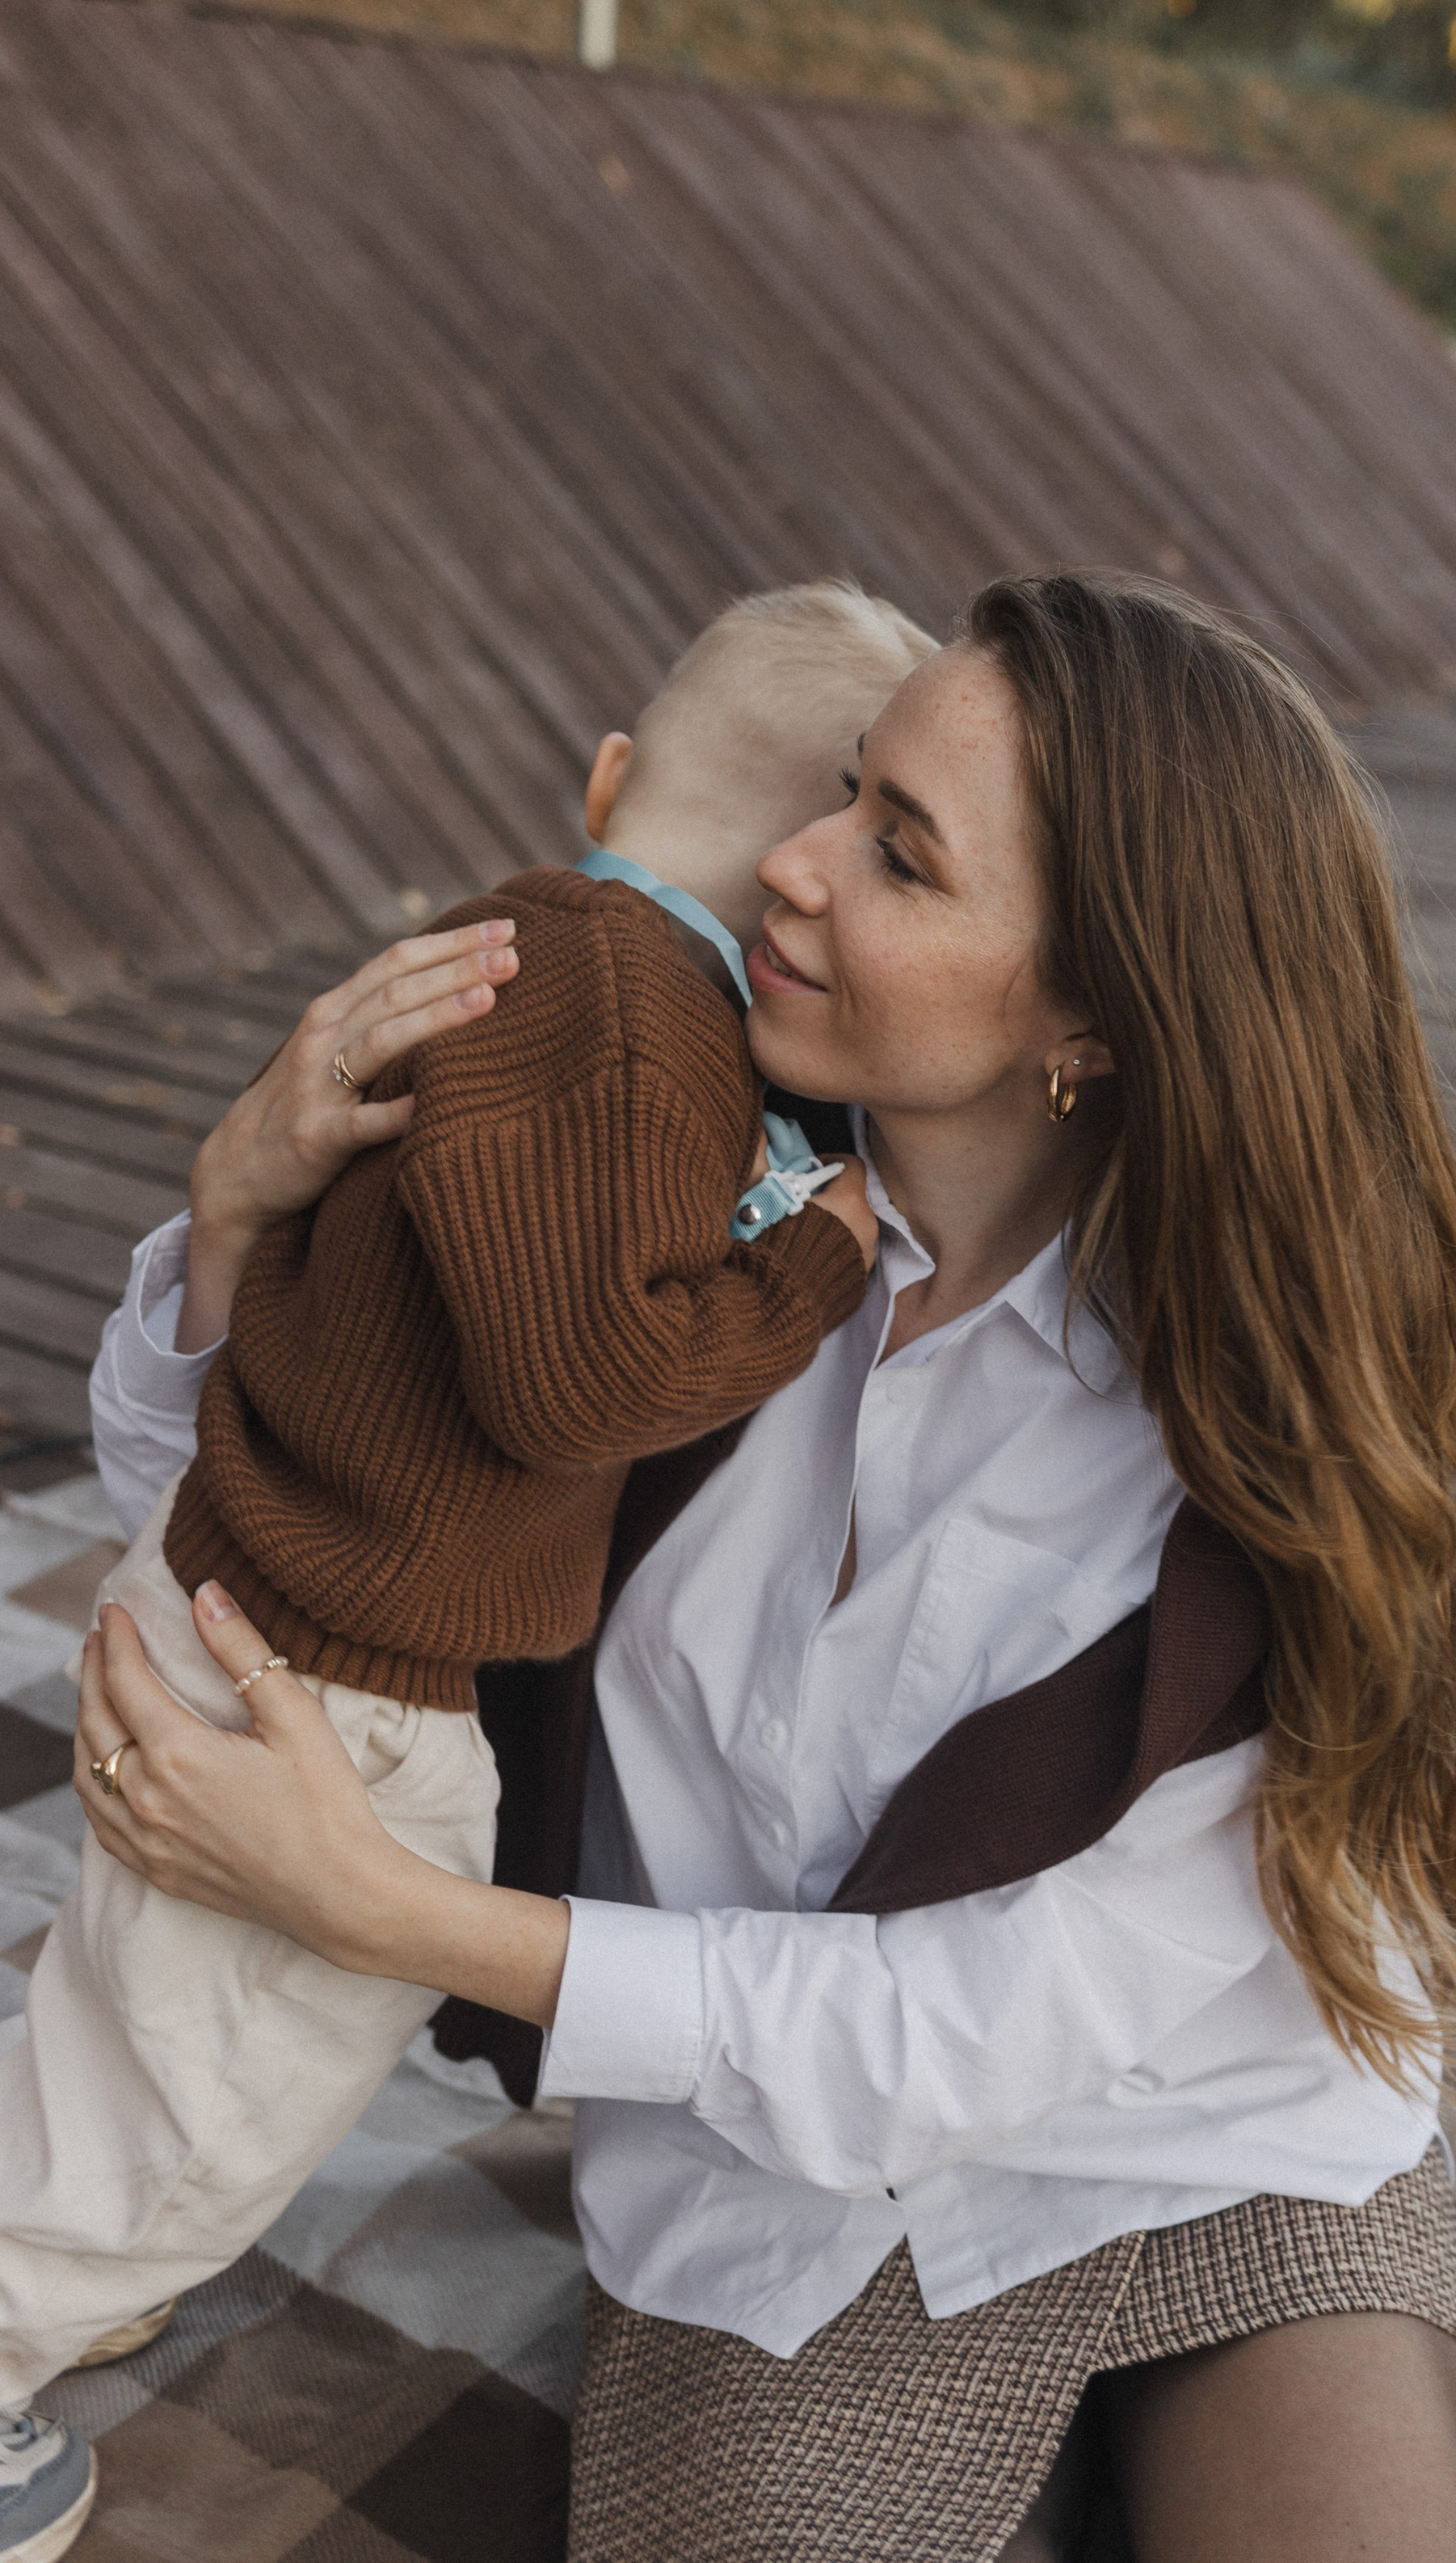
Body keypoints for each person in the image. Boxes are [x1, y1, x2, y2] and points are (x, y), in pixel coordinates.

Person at [37, 575, 1456, 2563]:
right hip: (780, 2187)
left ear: (1087, 1015)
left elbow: (968, 2022)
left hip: (1189, 2131)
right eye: (835, 796)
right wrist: (236, 1216)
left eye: (895, 853)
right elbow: (295, 1520)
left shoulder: (1245, 1441)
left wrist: (394, 1916)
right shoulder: (650, 1223)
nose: (788, 864)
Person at [0, 580, 934, 2416]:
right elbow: (575, 1379)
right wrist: (813, 1264)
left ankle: (55, 2237)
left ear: (606, 782)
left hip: (230, 1582)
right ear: (794, 905)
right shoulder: (628, 1025)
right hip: (340, 1697)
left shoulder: (524, 966)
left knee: (130, 2031)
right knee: (221, 2094)